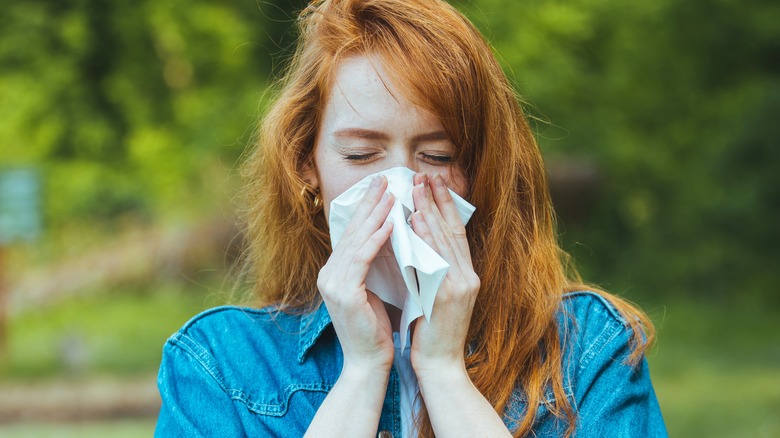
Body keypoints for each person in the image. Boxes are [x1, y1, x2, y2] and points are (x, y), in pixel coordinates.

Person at [155, 0, 667, 436]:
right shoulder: (220, 365)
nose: (398, 188)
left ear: (478, 169)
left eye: (438, 156)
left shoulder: (588, 351)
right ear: (306, 165)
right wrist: (361, 371)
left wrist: (444, 371)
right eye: (360, 156)